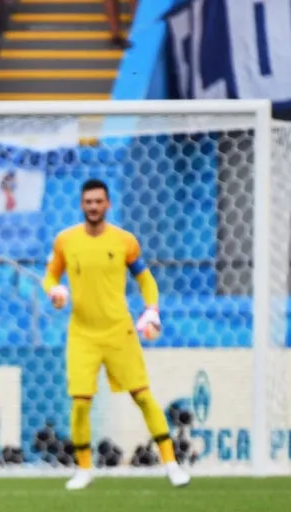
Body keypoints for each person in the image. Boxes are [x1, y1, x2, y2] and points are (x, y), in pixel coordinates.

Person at [43, 178, 190, 490]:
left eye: (99, 201)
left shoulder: (124, 241)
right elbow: (51, 276)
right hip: (82, 334)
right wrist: (55, 290)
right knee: (80, 403)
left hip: (119, 331)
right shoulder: (65, 241)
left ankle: (171, 463)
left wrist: (152, 309)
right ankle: (84, 469)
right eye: (88, 202)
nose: (93, 206)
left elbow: (146, 280)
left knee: (143, 396)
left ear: (108, 204)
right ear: (81, 205)